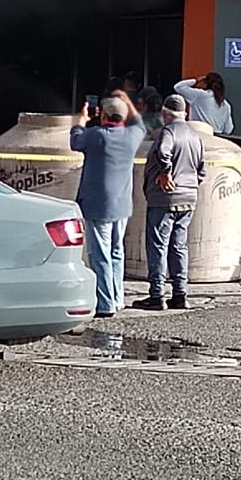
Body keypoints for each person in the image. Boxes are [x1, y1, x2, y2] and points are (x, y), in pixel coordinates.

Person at [69, 89, 146, 318]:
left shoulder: (96, 136)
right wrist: (127, 101)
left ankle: (105, 303)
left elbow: (75, 141)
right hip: (122, 204)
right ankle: (118, 296)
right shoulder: (132, 136)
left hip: (97, 204)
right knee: (116, 251)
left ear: (103, 116)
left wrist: (81, 120)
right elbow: (139, 122)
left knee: (100, 254)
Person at [132, 94, 205, 311]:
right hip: (188, 198)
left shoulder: (169, 132)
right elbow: (202, 171)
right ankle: (180, 294)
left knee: (158, 246)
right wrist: (189, 185)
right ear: (186, 113)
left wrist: (166, 172)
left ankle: (157, 295)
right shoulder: (195, 135)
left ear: (165, 114)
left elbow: (164, 151)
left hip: (164, 198)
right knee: (179, 246)